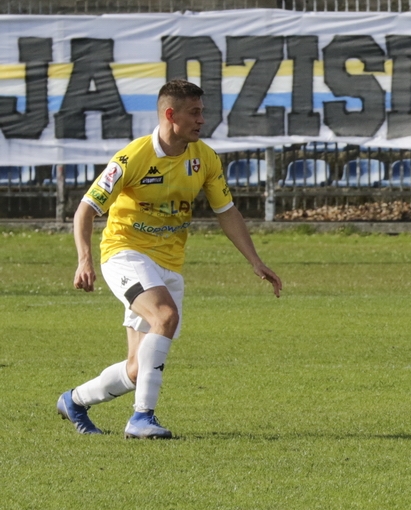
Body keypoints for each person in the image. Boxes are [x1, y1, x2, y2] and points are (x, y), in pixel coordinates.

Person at [57, 79, 282, 439]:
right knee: (165, 315)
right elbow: (85, 209)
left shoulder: (204, 158)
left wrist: (255, 261)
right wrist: (85, 260)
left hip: (168, 264)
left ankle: (74, 401)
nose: (201, 120)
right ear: (170, 114)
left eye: (202, 112)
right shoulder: (132, 157)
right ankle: (142, 418)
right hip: (124, 252)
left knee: (136, 368)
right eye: (195, 112)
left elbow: (226, 211)